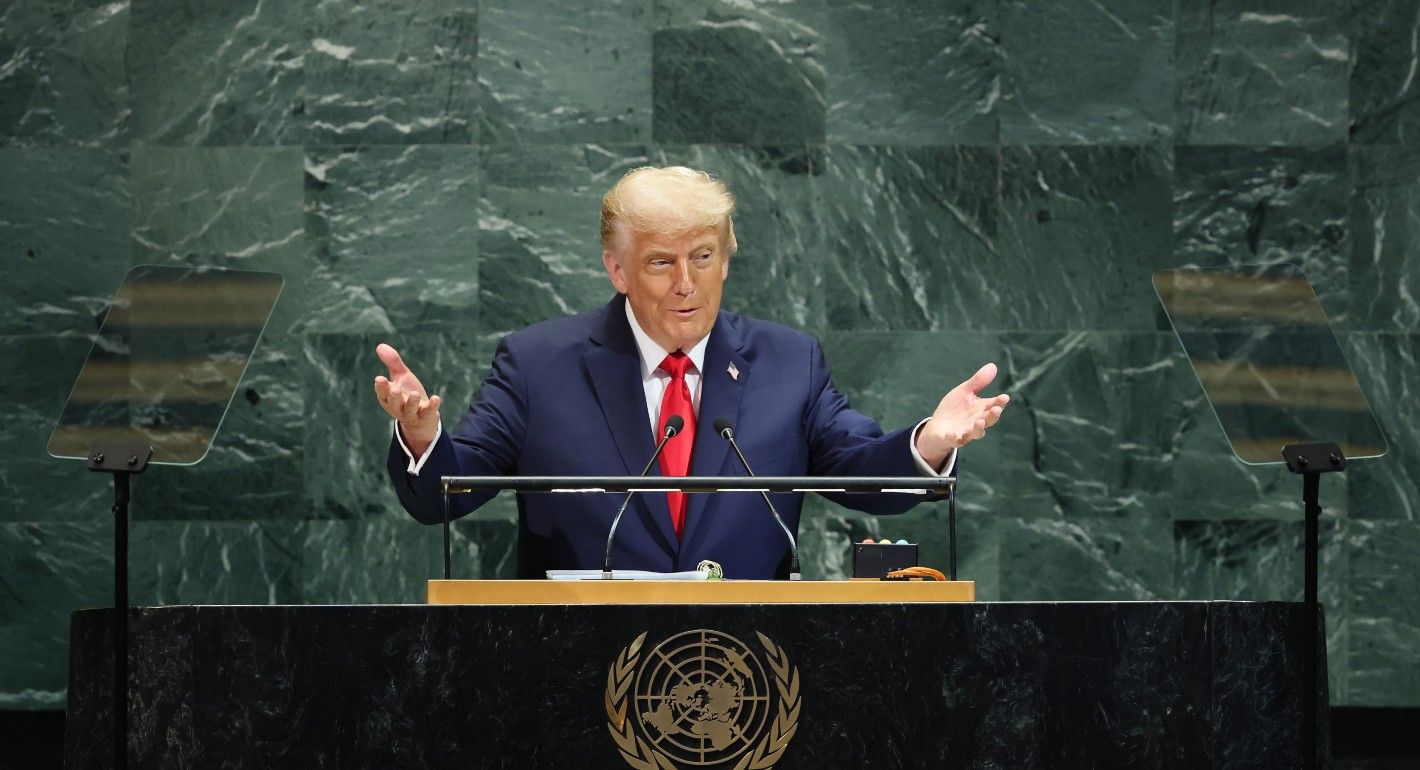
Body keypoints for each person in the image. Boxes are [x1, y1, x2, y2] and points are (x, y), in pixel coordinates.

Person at [375, 166, 1009, 579]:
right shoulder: (538, 364)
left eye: (703, 256)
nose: (686, 284)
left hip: (752, 672)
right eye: (659, 262)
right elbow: (443, 496)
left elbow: (860, 475)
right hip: (569, 672)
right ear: (617, 270)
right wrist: (424, 441)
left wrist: (929, 444)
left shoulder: (790, 363)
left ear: (726, 259)